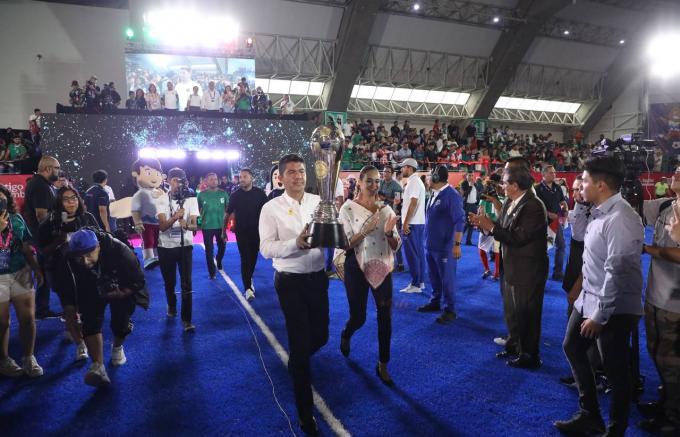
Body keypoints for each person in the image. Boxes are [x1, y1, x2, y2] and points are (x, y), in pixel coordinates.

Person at [554, 156, 644, 437]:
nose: (579, 185)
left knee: (616, 372)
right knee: (572, 346)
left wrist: (600, 316)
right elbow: (578, 235)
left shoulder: (622, 218)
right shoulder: (599, 209)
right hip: (590, 298)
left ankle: (615, 430)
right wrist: (580, 204)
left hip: (614, 307)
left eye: (584, 181)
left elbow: (616, 271)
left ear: (601, 185)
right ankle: (590, 415)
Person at [258, 154, 329, 436]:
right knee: (300, 344)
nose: (298, 176)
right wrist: (294, 243)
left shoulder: (318, 202)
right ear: (280, 177)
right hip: (290, 281)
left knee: (321, 336)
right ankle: (304, 415)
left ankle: (296, 363)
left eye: (301, 171)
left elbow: (329, 234)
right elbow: (266, 248)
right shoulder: (270, 208)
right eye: (291, 172)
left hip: (318, 278)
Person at [469, 165, 548, 369]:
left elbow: (518, 238)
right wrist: (484, 225)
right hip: (511, 265)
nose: (502, 186)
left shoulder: (533, 206)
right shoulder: (511, 202)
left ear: (515, 185)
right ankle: (515, 345)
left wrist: (491, 227)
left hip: (528, 270)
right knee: (512, 311)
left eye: (505, 183)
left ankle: (530, 355)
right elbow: (502, 230)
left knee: (527, 314)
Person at [337, 165, 400, 385]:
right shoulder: (347, 209)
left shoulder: (386, 209)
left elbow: (395, 245)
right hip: (356, 266)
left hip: (382, 265)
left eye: (377, 181)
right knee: (359, 317)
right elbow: (344, 244)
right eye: (370, 181)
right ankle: (347, 332)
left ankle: (383, 363)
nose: (374, 186)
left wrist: (390, 232)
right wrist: (365, 230)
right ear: (360, 183)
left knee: (385, 316)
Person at [66, 229, 148, 386]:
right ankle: (98, 366)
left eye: (89, 254)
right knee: (90, 321)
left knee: (120, 321)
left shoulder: (121, 251)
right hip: (89, 286)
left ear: (98, 247)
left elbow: (139, 281)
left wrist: (123, 293)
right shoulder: (69, 258)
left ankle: (117, 347)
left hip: (122, 284)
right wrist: (73, 307)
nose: (84, 261)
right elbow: (67, 287)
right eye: (79, 257)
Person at [638, 165, 680, 436]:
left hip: (676, 301)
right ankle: (666, 404)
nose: (674, 175)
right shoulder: (667, 203)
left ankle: (675, 420)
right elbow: (637, 207)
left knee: (673, 362)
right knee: (657, 353)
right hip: (656, 294)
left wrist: (647, 249)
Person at [37, 187, 99, 361]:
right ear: (58, 202)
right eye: (66, 199)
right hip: (62, 272)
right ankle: (80, 345)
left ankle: (84, 335)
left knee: (86, 311)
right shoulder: (50, 222)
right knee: (69, 310)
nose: (71, 202)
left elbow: (101, 241)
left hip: (87, 271)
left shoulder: (87, 218)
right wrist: (58, 241)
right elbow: (43, 251)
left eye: (74, 198)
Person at [558, 175, 602, 388]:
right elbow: (576, 243)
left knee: (587, 325)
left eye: (579, 189)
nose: (576, 193)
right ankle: (579, 372)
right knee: (572, 323)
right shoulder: (577, 211)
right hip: (575, 267)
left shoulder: (599, 215)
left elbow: (591, 253)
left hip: (589, 275)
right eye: (574, 190)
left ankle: (590, 374)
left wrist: (578, 282)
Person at [0, 185, 44, 378]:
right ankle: (4, 360)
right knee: (2, 323)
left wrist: (36, 268)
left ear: (7, 200)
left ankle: (28, 357)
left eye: (1, 199)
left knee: (28, 318)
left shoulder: (16, 219)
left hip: (20, 273)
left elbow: (27, 247)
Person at [417, 165, 465, 324]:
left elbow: (459, 221)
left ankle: (450, 310)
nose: (428, 178)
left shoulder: (452, 195)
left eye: (430, 175)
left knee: (447, 279)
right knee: (434, 277)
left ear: (437, 178)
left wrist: (457, 244)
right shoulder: (434, 193)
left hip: (445, 248)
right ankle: (435, 301)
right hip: (430, 245)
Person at [157, 168, 199, 332]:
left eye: (180, 181)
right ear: (168, 181)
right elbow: (162, 227)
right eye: (174, 180)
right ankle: (172, 305)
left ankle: (187, 320)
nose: (177, 184)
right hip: (165, 247)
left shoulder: (191, 200)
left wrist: (187, 225)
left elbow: (194, 225)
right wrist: (174, 217)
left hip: (185, 246)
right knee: (169, 282)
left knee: (186, 284)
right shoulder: (161, 199)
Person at [24, 155, 61, 319]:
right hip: (43, 239)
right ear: (48, 169)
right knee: (46, 273)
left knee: (44, 273)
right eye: (57, 168)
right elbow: (41, 215)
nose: (59, 172)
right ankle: (42, 309)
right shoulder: (41, 186)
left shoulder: (40, 183)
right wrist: (52, 235)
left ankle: (42, 308)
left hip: (39, 237)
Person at [227, 169, 267, 301]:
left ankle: (249, 278)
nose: (242, 179)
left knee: (253, 258)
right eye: (240, 177)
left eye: (245, 177)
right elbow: (227, 213)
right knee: (245, 259)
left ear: (252, 178)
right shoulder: (235, 195)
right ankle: (248, 288)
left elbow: (268, 213)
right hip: (241, 233)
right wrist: (223, 231)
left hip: (257, 233)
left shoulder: (260, 194)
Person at [398, 158, 426, 294]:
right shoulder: (416, 181)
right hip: (417, 223)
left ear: (409, 168)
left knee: (412, 254)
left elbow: (413, 203)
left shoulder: (413, 182)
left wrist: (405, 223)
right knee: (419, 253)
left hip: (412, 224)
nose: (401, 170)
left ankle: (416, 284)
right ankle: (419, 282)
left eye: (403, 167)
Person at [535, 165, 568, 280]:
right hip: (542, 224)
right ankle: (540, 274)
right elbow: (537, 207)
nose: (554, 174)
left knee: (562, 246)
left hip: (556, 222)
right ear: (543, 175)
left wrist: (565, 207)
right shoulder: (537, 188)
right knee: (542, 249)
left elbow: (562, 200)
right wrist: (549, 214)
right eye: (551, 173)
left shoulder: (557, 187)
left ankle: (558, 273)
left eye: (554, 172)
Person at [197, 173, 229, 279]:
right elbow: (197, 210)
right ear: (206, 181)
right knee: (209, 250)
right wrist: (197, 223)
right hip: (207, 227)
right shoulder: (201, 195)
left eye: (215, 179)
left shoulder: (223, 193)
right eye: (211, 179)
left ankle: (219, 260)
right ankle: (212, 272)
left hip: (221, 226)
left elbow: (228, 209)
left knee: (222, 247)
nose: (214, 181)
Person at [477, 174, 502, 281]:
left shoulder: (499, 197)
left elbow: (481, 210)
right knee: (493, 250)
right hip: (492, 226)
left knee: (493, 250)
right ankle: (493, 271)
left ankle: (494, 271)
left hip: (492, 226)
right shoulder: (486, 197)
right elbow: (480, 210)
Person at [461, 172, 479, 245]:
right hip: (467, 206)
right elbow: (465, 194)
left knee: (471, 223)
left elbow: (477, 194)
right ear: (466, 176)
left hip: (474, 205)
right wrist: (470, 186)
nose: (471, 177)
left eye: (472, 175)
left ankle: (468, 241)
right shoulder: (464, 184)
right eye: (469, 175)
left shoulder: (475, 184)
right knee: (468, 223)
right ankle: (459, 238)